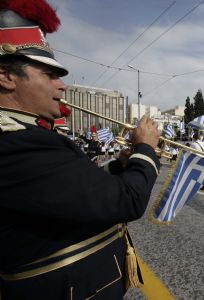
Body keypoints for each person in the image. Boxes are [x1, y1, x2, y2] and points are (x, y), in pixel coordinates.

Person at [0, 2, 161, 299]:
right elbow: (127, 201)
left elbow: (69, 189)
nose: (61, 85)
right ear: (6, 76)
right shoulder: (15, 142)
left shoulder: (25, 136)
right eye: (49, 74)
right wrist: (145, 149)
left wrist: (119, 166)